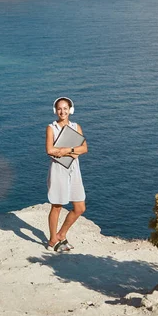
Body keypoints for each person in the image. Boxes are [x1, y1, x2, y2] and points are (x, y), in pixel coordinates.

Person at [45, 97, 88, 252]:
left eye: (65, 108)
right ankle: (52, 241)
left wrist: (65, 150)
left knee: (80, 207)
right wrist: (72, 151)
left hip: (74, 170)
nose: (62, 111)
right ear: (55, 111)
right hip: (58, 171)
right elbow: (50, 150)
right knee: (57, 205)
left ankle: (61, 234)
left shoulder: (76, 127)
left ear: (71, 109)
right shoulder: (51, 128)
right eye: (59, 109)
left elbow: (84, 148)